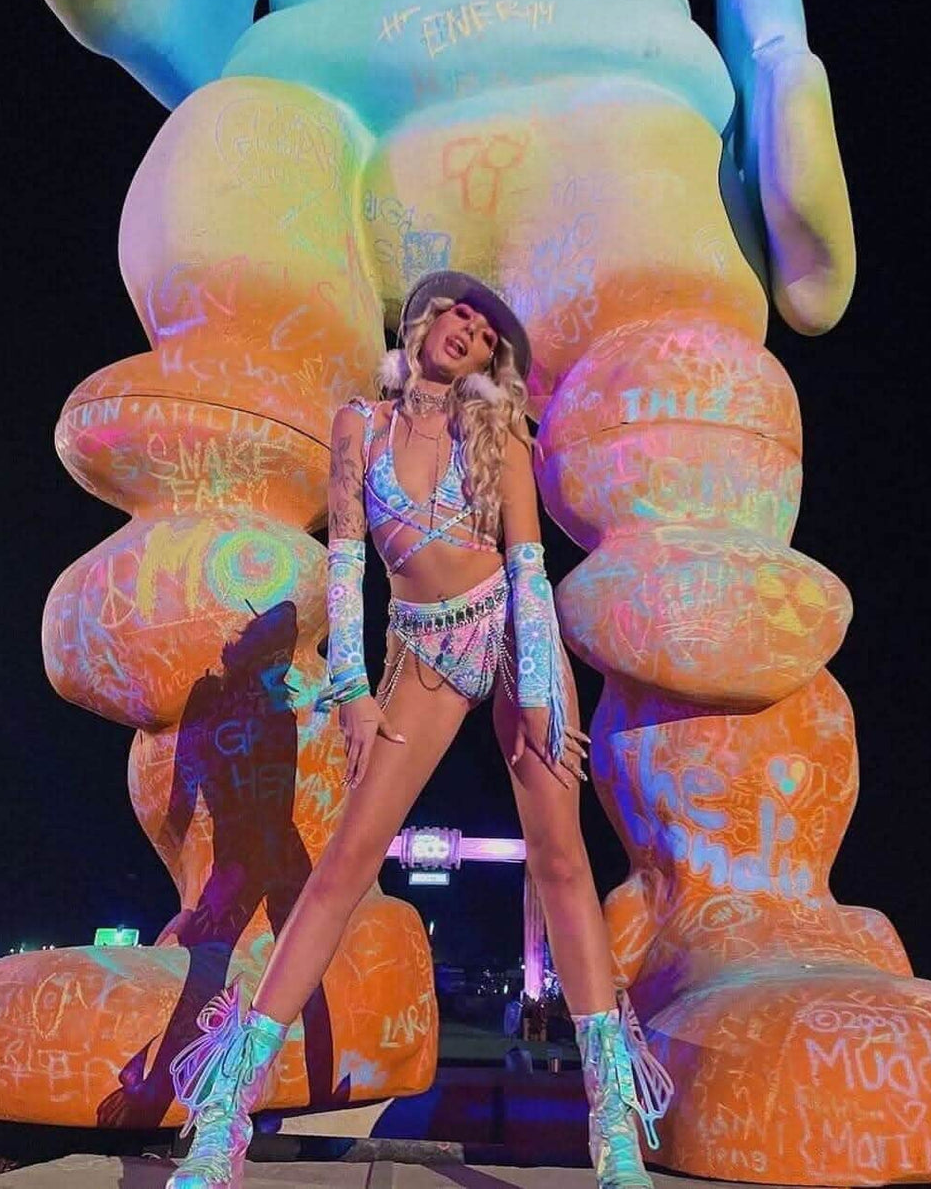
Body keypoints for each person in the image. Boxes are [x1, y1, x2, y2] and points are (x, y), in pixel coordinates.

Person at [163, 271, 673, 1188]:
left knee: (559, 861)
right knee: (345, 865)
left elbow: (527, 564)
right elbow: (349, 560)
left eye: (484, 331)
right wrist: (353, 692)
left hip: (514, 631)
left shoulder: (499, 434)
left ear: (490, 359)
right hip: (421, 648)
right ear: (425, 322)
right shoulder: (360, 424)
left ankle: (615, 1125)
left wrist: (542, 694)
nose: (467, 330)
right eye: (457, 314)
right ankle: (222, 1115)